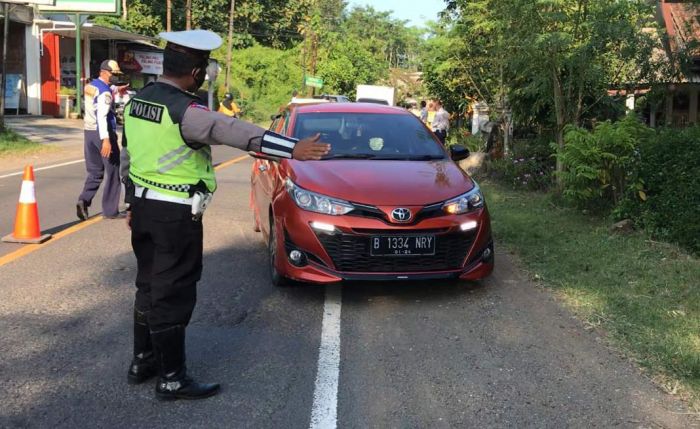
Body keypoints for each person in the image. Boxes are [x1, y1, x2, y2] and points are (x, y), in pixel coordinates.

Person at [121, 29, 330, 401]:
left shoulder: (138, 101)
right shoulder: (186, 111)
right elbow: (235, 131)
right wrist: (292, 148)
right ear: (198, 72)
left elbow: (128, 155)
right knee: (173, 292)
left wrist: (129, 202)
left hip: (143, 209)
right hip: (174, 214)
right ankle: (171, 379)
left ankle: (143, 360)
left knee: (148, 285)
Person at [77, 60, 123, 220]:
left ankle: (84, 199)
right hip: (103, 134)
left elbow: (100, 94)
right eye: (113, 74)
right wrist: (106, 140)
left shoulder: (91, 86)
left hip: (89, 133)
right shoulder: (105, 93)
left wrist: (117, 89)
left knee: (95, 171)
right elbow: (102, 116)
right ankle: (110, 211)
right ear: (104, 72)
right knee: (113, 171)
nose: (115, 77)